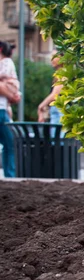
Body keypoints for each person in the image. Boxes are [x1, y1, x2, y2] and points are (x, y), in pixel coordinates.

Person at [0, 41, 18, 178]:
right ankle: (10, 176)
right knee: (10, 143)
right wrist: (11, 94)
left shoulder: (6, 62)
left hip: (3, 109)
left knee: (9, 143)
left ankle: (10, 176)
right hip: (1, 109)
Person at [37, 53, 63, 124]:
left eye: (54, 56)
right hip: (56, 109)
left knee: (58, 134)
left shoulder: (64, 74)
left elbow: (54, 95)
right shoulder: (57, 74)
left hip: (61, 109)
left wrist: (41, 106)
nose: (51, 59)